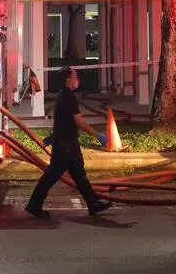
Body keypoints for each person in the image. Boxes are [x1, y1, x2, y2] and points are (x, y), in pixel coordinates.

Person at [25, 66, 113, 220]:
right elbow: (79, 122)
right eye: (75, 76)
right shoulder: (68, 97)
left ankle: (94, 204)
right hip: (66, 146)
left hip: (67, 144)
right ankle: (34, 205)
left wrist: (54, 136)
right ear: (68, 80)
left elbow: (62, 121)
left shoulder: (63, 96)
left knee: (79, 176)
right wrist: (98, 135)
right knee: (52, 176)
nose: (77, 79)